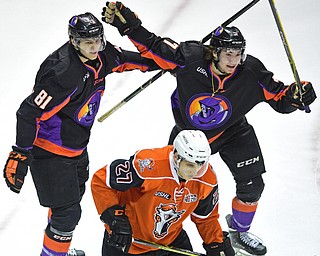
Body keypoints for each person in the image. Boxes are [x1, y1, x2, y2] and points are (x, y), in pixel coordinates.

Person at [101, 2, 317, 255]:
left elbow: (281, 99)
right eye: (228, 54)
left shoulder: (251, 72)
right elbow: (154, 45)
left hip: (234, 131)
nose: (234, 61)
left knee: (253, 185)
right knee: (173, 187)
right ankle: (161, 230)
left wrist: (297, 94)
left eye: (238, 54)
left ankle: (239, 231)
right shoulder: (190, 59)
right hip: (189, 137)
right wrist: (127, 25)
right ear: (214, 52)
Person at [2, 12, 160, 256]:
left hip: (76, 147)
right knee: (68, 214)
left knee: (67, 206)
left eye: (98, 40)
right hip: (50, 152)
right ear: (74, 42)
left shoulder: (101, 55)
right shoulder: (63, 72)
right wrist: (20, 153)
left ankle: (57, 250)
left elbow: (133, 60)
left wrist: (167, 63)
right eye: (88, 42)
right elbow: (28, 112)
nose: (95, 47)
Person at [91, 129, 235, 256]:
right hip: (128, 242)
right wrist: (114, 218)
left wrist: (216, 243)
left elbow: (206, 218)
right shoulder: (149, 166)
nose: (195, 172)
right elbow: (101, 181)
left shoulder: (206, 179)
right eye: (190, 165)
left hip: (171, 242)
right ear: (177, 157)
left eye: (201, 165)